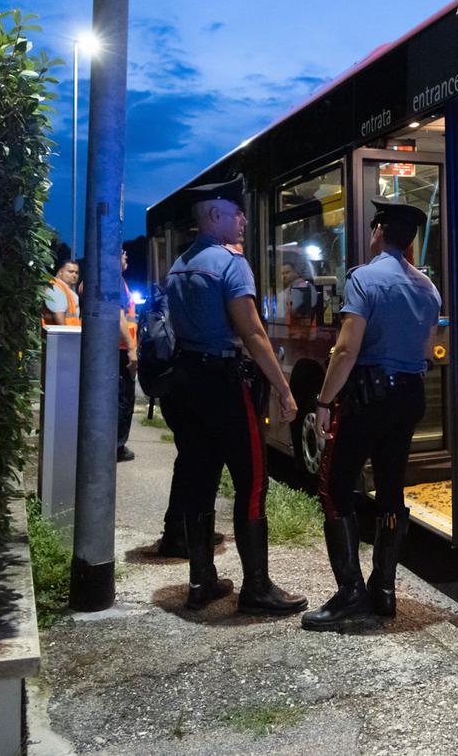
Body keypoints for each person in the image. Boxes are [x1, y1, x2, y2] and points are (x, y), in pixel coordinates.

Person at [161, 174, 307, 614]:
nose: (243, 219)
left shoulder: (179, 265)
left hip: (184, 379)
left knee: (198, 478)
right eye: (236, 212)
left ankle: (201, 581)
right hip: (223, 381)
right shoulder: (230, 263)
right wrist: (284, 389)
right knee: (252, 480)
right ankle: (257, 588)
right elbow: (254, 334)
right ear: (213, 215)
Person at [301, 199, 440, 632]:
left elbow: (346, 350)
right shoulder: (428, 288)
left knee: (335, 485)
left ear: (378, 231)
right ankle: (384, 590)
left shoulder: (364, 279)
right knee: (391, 488)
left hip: (366, 398)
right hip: (409, 396)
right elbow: (424, 350)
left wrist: (323, 403)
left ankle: (349, 595)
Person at [118, 249, 139, 462]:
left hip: (116, 349)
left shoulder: (115, 282)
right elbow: (119, 316)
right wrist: (132, 348)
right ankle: (116, 446)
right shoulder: (115, 282)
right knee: (123, 400)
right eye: (124, 255)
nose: (127, 259)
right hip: (120, 350)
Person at [42, 258, 81, 326]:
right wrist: (65, 334)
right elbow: (59, 315)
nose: (74, 275)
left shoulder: (65, 289)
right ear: (60, 272)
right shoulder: (55, 288)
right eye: (70, 272)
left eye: (76, 272)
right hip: (61, 334)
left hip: (70, 332)